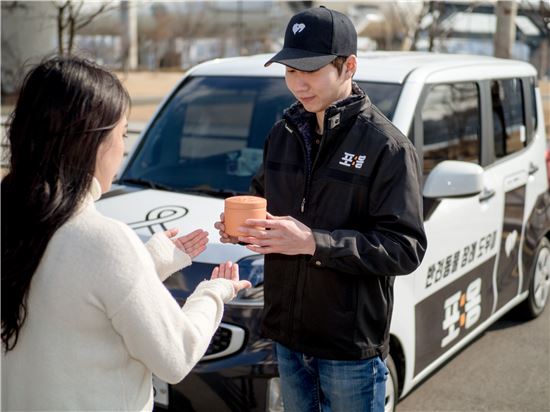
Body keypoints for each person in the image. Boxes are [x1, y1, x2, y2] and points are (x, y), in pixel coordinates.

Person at [1, 56, 251, 411]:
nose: (123, 148)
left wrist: (149, 260)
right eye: (122, 133)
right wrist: (213, 292)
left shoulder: (16, 216)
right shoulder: (103, 239)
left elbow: (69, 293)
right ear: (92, 142)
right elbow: (175, 356)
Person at [215, 6, 427, 412]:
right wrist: (241, 228)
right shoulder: (284, 132)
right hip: (287, 336)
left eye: (310, 70)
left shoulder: (387, 147)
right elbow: (264, 200)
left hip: (347, 346)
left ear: (348, 66)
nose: (298, 83)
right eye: (290, 70)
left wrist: (315, 243)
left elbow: (405, 247)